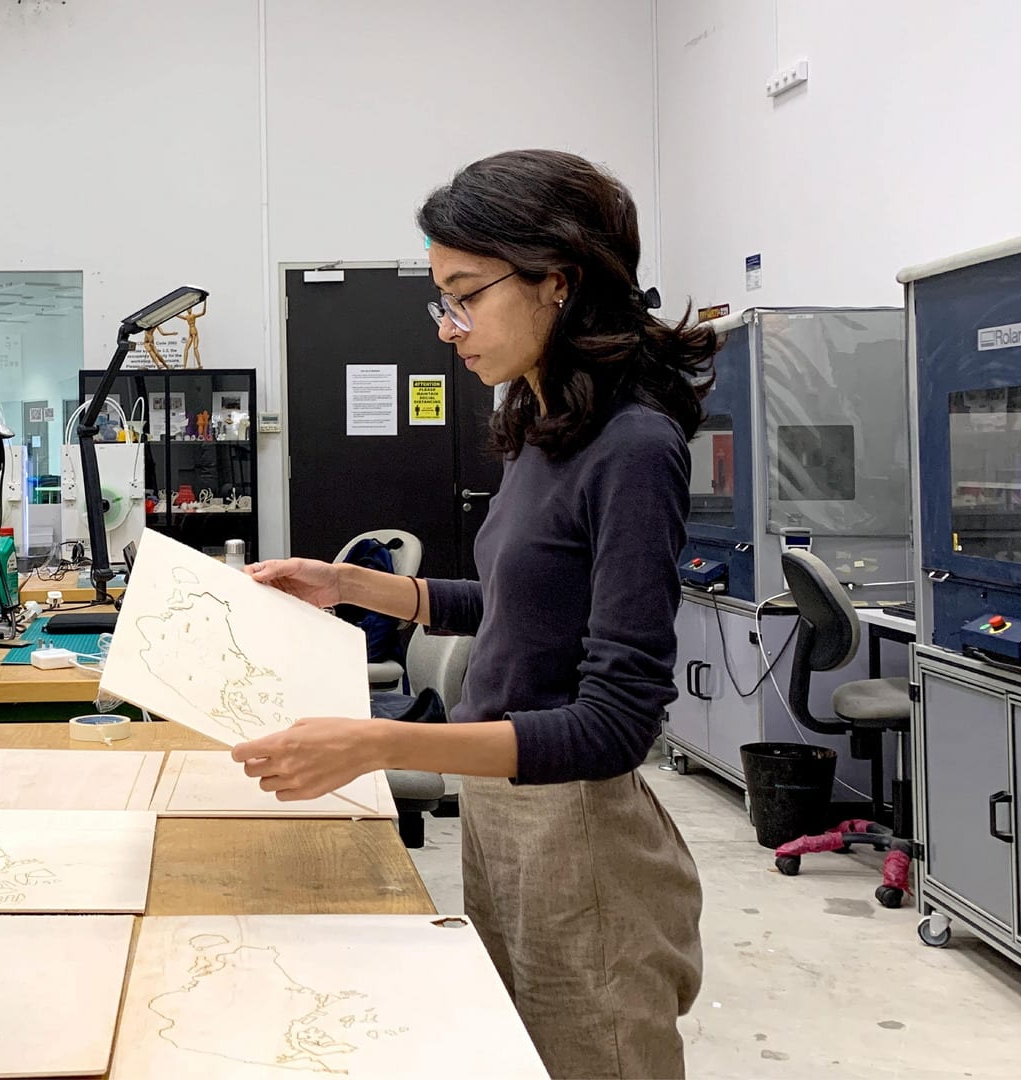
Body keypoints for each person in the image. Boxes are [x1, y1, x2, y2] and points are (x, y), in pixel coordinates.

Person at [234, 149, 711, 1079]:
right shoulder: (544, 427)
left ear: (558, 282)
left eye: (466, 294)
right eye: (440, 299)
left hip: (581, 832)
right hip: (502, 806)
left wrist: (379, 744)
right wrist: (356, 589)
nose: (449, 327)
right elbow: (520, 605)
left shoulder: (634, 449)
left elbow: (615, 724)